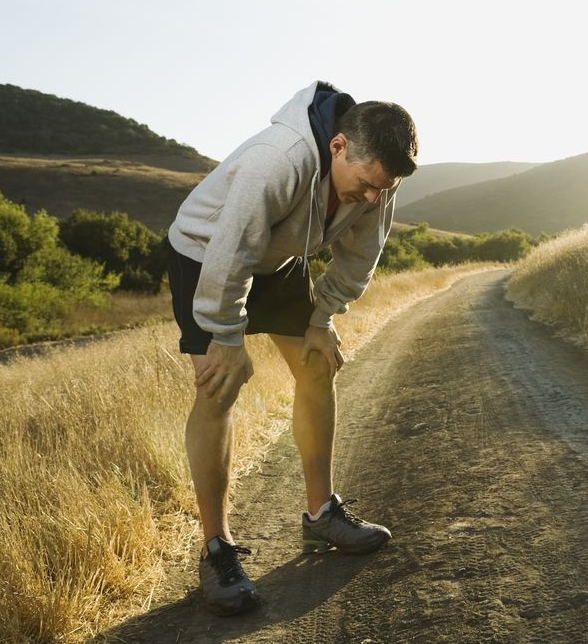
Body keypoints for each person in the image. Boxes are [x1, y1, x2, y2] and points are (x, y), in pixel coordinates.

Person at [162, 81, 417, 615]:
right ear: (338, 147)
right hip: (208, 254)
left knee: (318, 364)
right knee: (219, 388)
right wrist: (226, 337)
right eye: (367, 184)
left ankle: (321, 514)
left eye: (383, 189)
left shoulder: (377, 182)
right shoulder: (275, 161)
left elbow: (359, 256)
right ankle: (217, 550)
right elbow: (232, 250)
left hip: (278, 258)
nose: (372, 198)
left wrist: (323, 318)